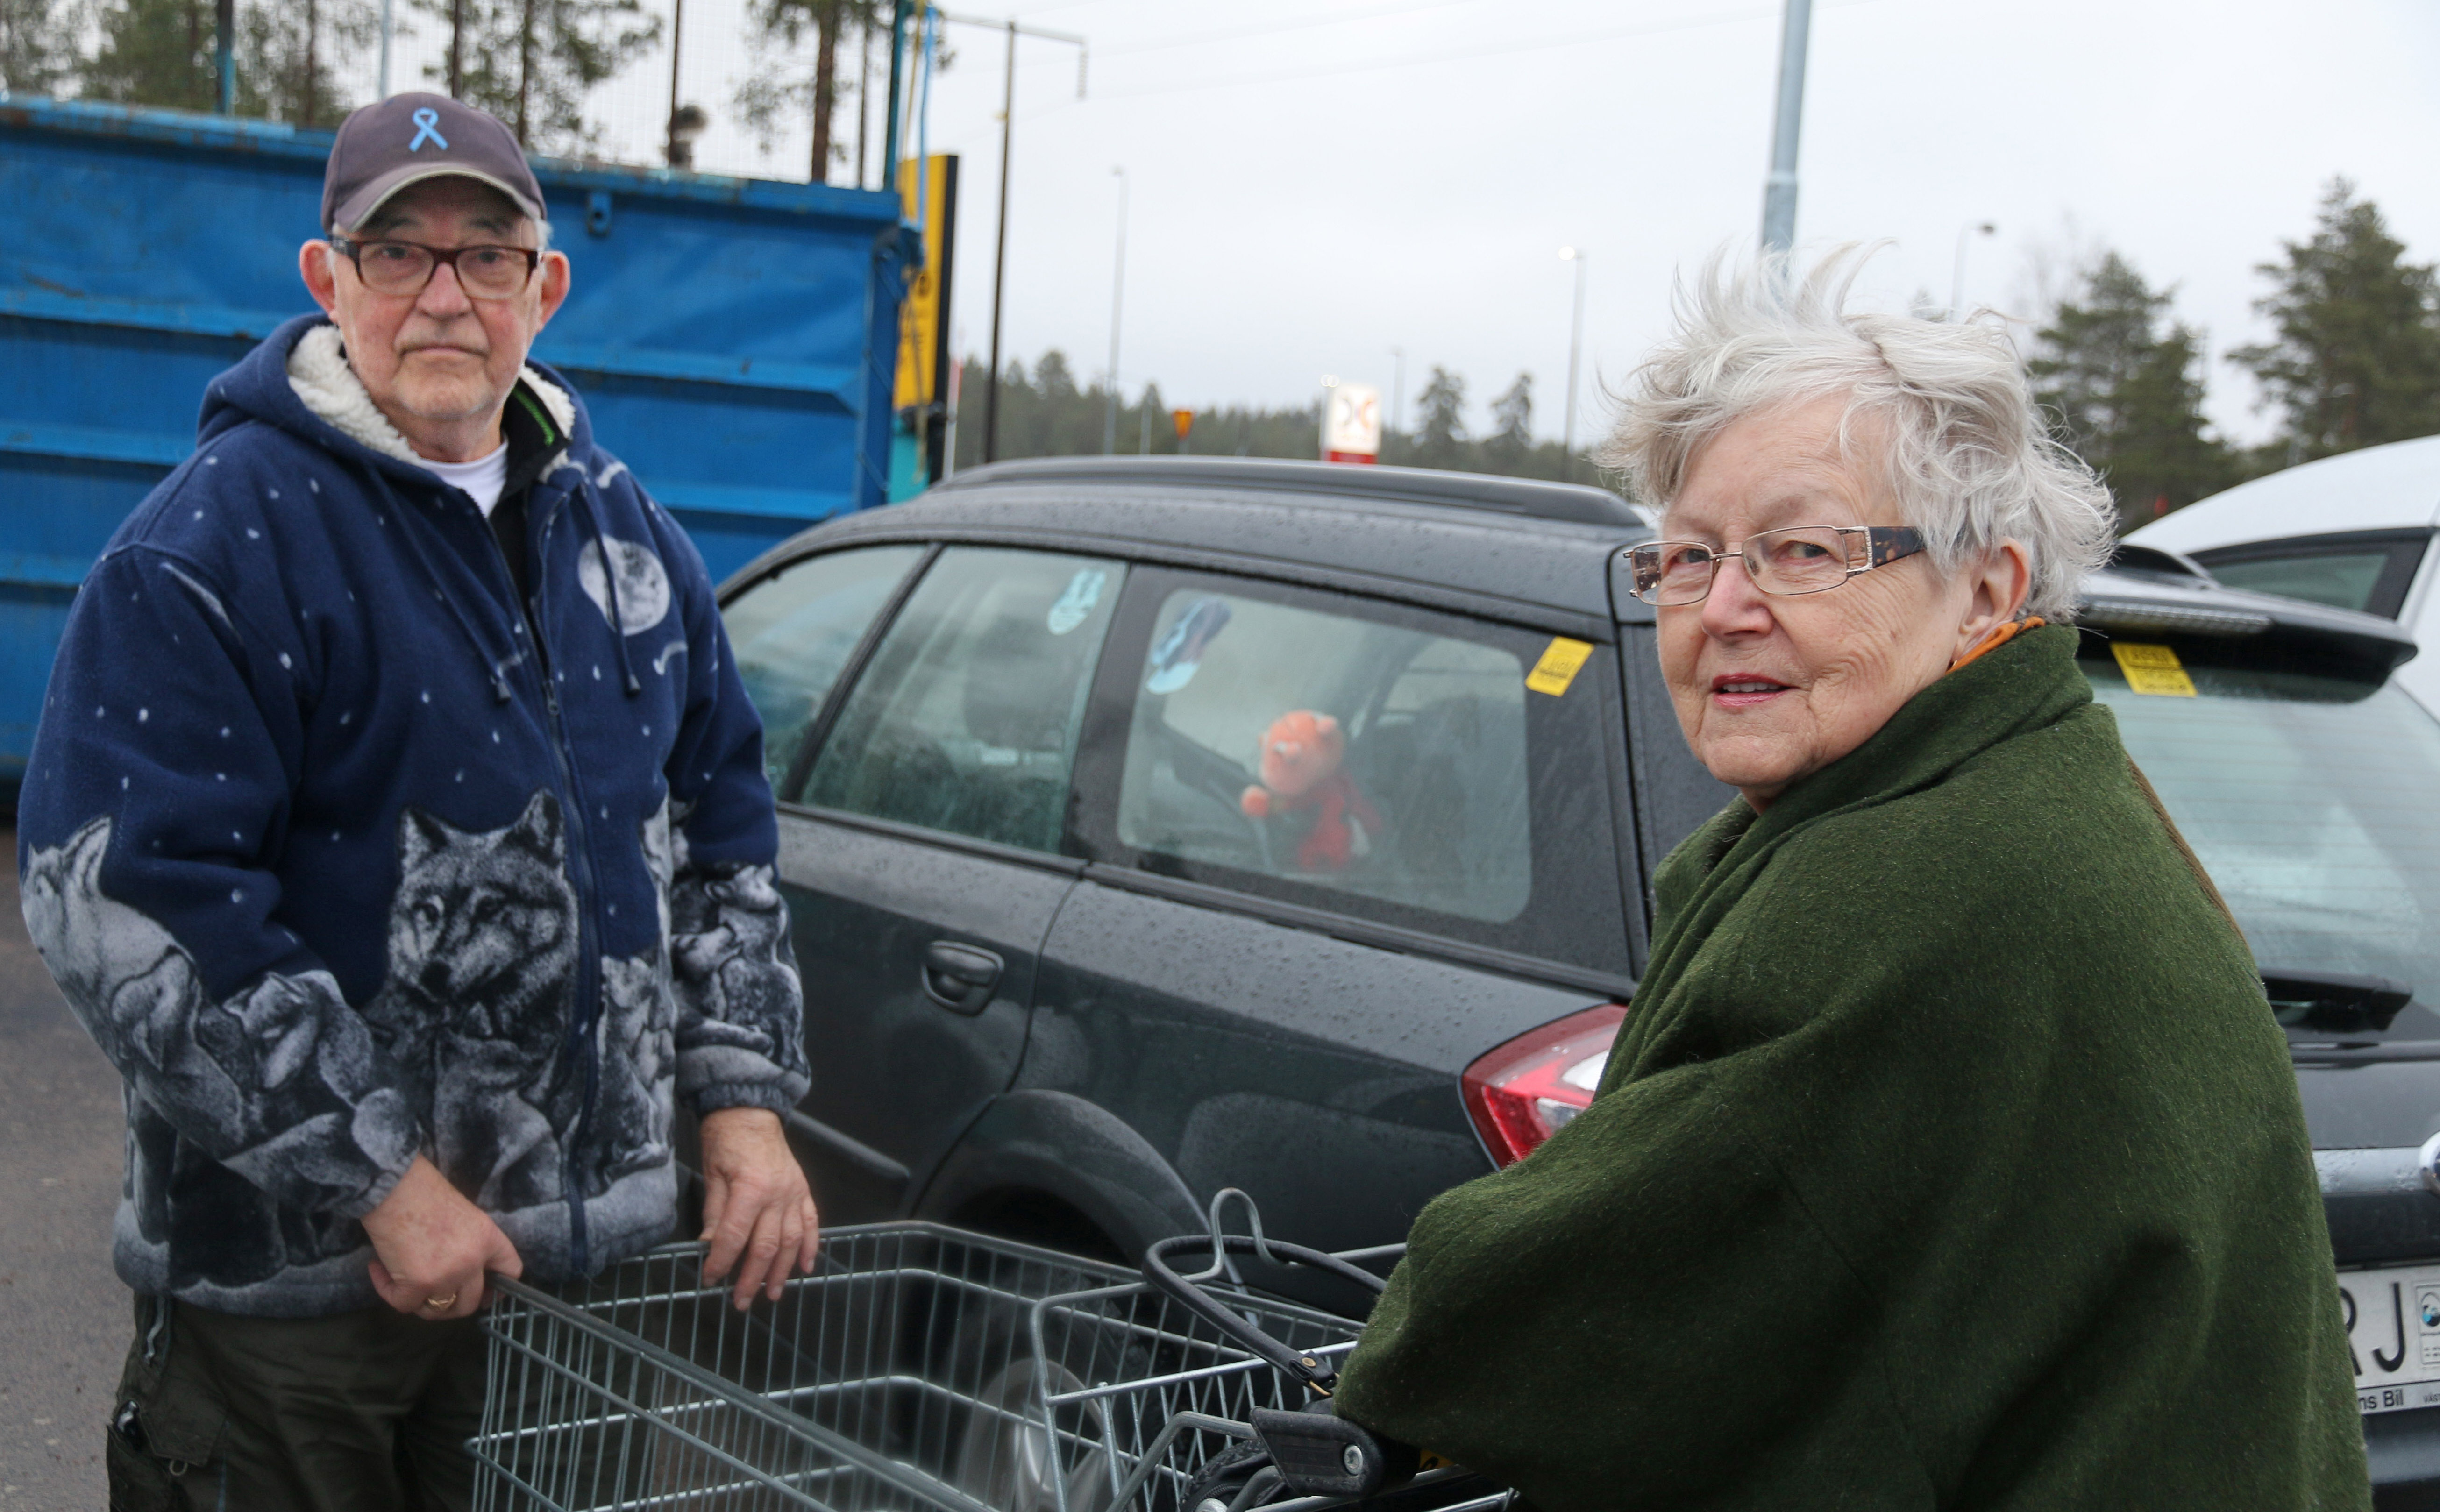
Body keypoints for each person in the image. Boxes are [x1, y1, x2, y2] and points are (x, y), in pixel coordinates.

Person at [1328, 252, 2370, 1509]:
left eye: (1803, 550)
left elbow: (1562, 1316)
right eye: (1687, 556)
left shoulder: (1922, 883)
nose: (1723, 608)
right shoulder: (2030, 791)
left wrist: (1404, 1349)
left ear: (1988, 588)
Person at [16, 92, 818, 1510]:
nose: (444, 296)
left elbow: (721, 831)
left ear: (543, 289)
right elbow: (137, 905)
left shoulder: (635, 543)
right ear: (328, 280)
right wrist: (382, 1184)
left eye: (485, 256)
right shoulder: (212, 548)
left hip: (578, 1297)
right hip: (301, 1303)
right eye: (399, 255)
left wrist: (742, 1103)